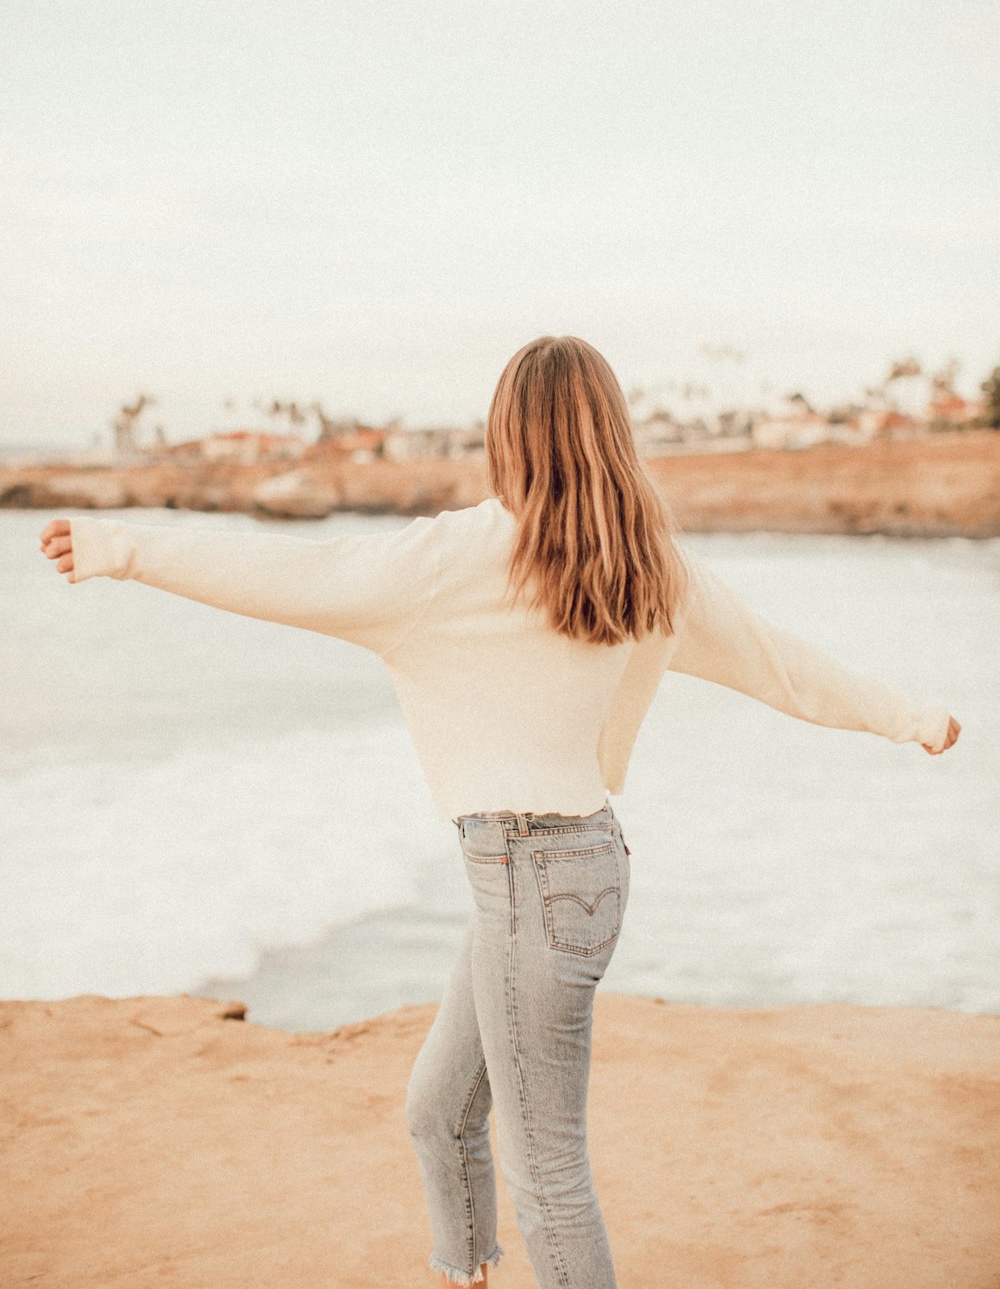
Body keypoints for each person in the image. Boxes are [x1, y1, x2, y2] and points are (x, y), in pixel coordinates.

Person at [39, 334, 960, 1289]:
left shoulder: (465, 560)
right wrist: (907, 717)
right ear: (610, 433)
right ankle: (464, 1270)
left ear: (505, 435)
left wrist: (124, 547)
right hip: (576, 872)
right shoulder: (641, 563)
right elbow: (780, 662)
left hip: (533, 876)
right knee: (438, 1110)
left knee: (548, 1171)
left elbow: (294, 575)